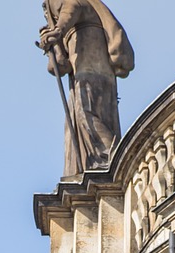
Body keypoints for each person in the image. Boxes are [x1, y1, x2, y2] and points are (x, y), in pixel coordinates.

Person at [38, 0, 134, 174]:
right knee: (74, 121)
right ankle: (89, 165)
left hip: (94, 64)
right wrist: (51, 48)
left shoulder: (75, 8)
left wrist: (58, 30)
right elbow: (61, 67)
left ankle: (109, 160)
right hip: (79, 73)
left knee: (87, 110)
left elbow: (73, 7)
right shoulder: (59, 21)